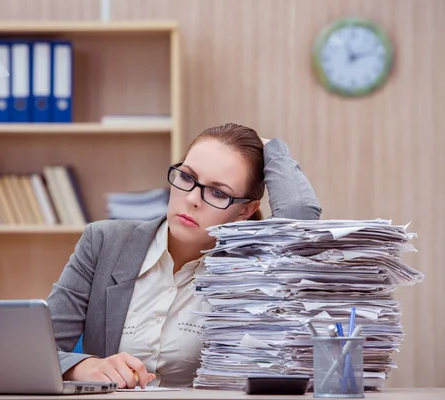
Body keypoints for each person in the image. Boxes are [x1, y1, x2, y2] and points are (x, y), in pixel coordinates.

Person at [46, 123, 322, 389]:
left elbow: (300, 218)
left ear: (245, 211)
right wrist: (82, 367)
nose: (192, 199)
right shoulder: (105, 243)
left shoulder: (252, 264)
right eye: (187, 178)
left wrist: (273, 149)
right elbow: (36, 350)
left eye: (217, 192)